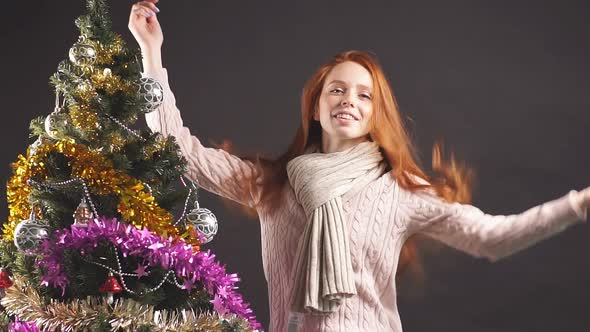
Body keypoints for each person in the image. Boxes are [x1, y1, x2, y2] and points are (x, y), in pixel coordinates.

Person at [128, 1, 590, 331]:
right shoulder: (271, 185)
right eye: (337, 89)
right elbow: (179, 153)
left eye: (364, 95)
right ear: (315, 107)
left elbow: (493, 238)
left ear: (375, 114)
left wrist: (577, 205)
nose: (349, 100)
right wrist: (152, 53)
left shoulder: (401, 192)